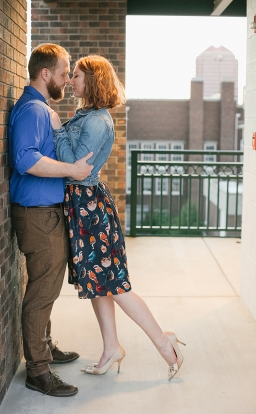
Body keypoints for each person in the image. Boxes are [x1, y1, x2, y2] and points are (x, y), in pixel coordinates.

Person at [51, 54, 185, 380]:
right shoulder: (89, 115)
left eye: (78, 76)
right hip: (83, 208)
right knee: (98, 283)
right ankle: (111, 348)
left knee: (115, 285)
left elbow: (75, 167)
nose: (71, 81)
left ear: (93, 81)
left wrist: (57, 129)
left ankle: (164, 344)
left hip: (89, 209)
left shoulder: (97, 121)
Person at [8, 43, 95, 397]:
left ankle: (45, 348)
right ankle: (38, 371)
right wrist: (73, 170)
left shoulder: (41, 109)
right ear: (45, 74)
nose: (66, 78)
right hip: (38, 217)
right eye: (63, 72)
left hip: (45, 214)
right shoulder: (33, 110)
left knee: (47, 288)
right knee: (42, 294)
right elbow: (25, 160)